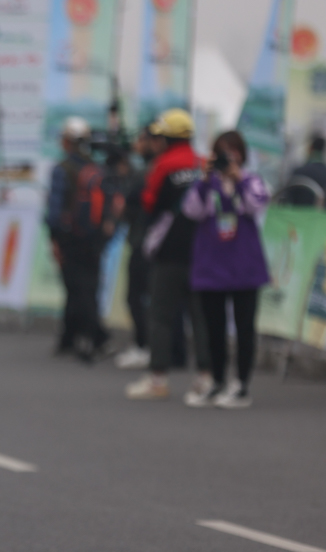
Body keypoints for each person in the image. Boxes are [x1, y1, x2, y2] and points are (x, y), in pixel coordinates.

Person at [126, 109, 211, 401]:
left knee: (161, 316)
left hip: (168, 252)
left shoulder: (163, 166)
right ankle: (205, 377)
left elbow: (149, 203)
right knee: (200, 316)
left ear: (168, 138)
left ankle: (158, 379)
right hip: (201, 251)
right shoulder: (202, 163)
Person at [182, 131, 270, 409]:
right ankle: (217, 379)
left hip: (244, 266)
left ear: (242, 154)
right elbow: (191, 211)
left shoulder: (251, 181)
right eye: (222, 153)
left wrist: (238, 177)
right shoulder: (206, 185)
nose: (227, 158)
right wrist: (206, 180)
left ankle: (241, 383)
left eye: (232, 152)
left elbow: (257, 203)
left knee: (244, 328)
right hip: (212, 266)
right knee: (213, 328)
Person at [45, 116, 109, 362]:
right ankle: (71, 336)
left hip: (70, 236)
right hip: (94, 236)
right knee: (88, 285)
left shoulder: (63, 169)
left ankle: (94, 334)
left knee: (75, 286)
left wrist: (54, 236)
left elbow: (54, 207)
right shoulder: (96, 168)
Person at [114, 128, 159, 369]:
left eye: (141, 140)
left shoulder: (148, 173)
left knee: (137, 297)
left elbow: (129, 206)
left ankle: (144, 345)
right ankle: (152, 347)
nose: (136, 145)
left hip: (145, 242)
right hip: (152, 242)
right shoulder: (149, 170)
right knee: (149, 298)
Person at [285, 134, 326, 209]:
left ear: (311, 148)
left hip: (295, 216)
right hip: (318, 218)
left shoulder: (299, 171)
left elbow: (288, 199)